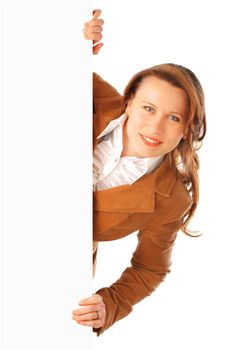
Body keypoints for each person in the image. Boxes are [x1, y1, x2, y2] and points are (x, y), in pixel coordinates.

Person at [72, 9, 206, 336]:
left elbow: (148, 269)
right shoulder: (91, 95)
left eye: (174, 117)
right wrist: (71, 41)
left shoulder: (171, 198)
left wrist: (110, 304)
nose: (155, 126)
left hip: (53, 271)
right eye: (149, 108)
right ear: (130, 101)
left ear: (188, 129)